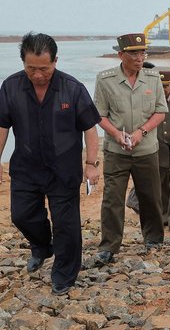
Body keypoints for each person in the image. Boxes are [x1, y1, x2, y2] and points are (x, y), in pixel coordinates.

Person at [0, 32, 101, 295]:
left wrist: (92, 163)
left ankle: (64, 276)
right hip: (25, 167)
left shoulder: (73, 88)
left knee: (66, 225)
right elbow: (2, 127)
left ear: (55, 61)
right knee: (21, 215)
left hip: (63, 169)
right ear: (23, 61)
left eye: (43, 68)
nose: (37, 74)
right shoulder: (10, 87)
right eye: (31, 68)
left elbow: (90, 128)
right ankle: (42, 246)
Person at [93, 33, 168, 265]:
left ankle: (154, 238)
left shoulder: (153, 78)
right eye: (134, 53)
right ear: (120, 55)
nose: (139, 57)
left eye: (142, 52)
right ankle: (109, 246)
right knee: (112, 199)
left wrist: (140, 132)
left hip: (146, 149)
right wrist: (116, 134)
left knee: (150, 196)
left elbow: (160, 111)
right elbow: (99, 115)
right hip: (116, 152)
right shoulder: (105, 80)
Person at [126, 67, 170, 232]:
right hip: (158, 149)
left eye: (166, 86)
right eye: (160, 86)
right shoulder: (147, 99)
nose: (164, 90)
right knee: (161, 185)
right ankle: (164, 217)